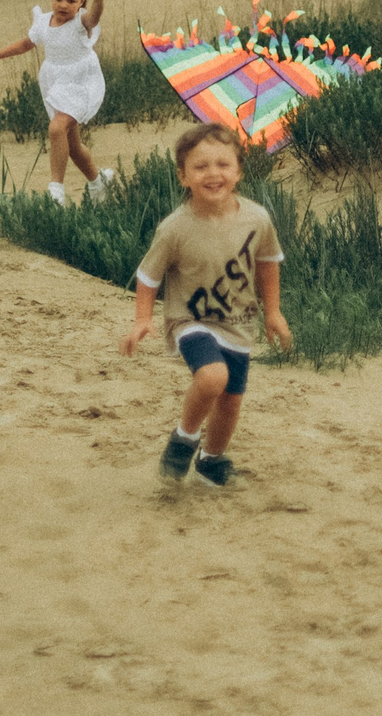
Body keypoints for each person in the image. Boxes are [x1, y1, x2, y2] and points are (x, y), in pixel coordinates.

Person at [122, 122, 291, 487]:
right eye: (200, 167)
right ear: (183, 176)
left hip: (239, 322)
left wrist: (273, 312)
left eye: (223, 164)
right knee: (213, 376)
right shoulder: (175, 228)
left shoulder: (257, 218)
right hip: (190, 321)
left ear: (239, 171)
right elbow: (149, 276)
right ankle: (184, 437)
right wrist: (142, 319)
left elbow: (268, 262)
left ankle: (210, 461)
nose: (213, 174)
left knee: (231, 401)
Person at [0, 0, 118, 206]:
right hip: (56, 82)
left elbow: (94, 17)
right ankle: (98, 181)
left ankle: (55, 190)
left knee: (56, 128)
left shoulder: (81, 22)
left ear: (81, 1)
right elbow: (25, 44)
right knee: (72, 146)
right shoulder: (44, 22)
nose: (63, 5)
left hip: (81, 81)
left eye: (71, 0)